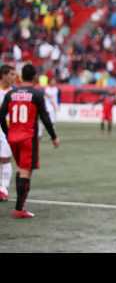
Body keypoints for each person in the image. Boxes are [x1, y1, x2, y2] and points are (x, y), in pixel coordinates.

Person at [0, 64, 60, 219]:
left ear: (21, 76)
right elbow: (45, 118)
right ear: (34, 77)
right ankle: (19, 209)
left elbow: (1, 117)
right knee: (26, 171)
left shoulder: (11, 94)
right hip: (28, 138)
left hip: (13, 138)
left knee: (21, 169)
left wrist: (8, 134)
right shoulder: (37, 94)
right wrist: (54, 136)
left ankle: (17, 203)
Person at [0, 65, 17, 201]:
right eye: (11, 74)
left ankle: (3, 188)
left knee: (5, 159)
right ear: (4, 75)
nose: (14, 77)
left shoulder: (15, 93)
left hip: (7, 130)